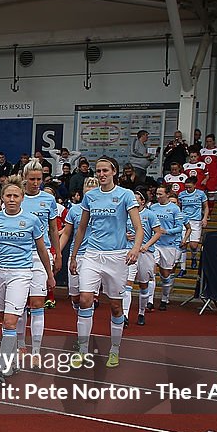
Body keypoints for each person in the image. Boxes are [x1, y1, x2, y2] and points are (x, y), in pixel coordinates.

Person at [68, 156, 143, 368]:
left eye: (105, 171)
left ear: (114, 172)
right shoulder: (90, 197)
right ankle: (82, 350)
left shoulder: (125, 195)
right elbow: (81, 228)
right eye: (98, 171)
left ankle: (115, 349)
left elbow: (138, 228)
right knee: (84, 299)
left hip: (117, 256)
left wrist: (135, 249)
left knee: (116, 307)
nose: (101, 174)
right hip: (92, 254)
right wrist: (74, 256)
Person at [0, 177, 55, 379]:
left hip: (21, 273)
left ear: (22, 198)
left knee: (10, 321)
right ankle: (15, 354)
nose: (11, 199)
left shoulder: (32, 221)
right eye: (8, 196)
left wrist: (50, 274)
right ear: (2, 198)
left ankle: (3, 367)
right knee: (4, 319)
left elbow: (42, 250)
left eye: (15, 196)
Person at [15, 159, 62, 357]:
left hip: (41, 256)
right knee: (18, 303)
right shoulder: (17, 197)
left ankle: (35, 349)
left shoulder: (49, 200)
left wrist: (58, 254)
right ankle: (19, 344)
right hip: (18, 255)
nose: (36, 183)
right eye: (32, 179)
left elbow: (53, 228)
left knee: (37, 303)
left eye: (39, 179)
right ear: (24, 178)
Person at [121, 188, 162, 327]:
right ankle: (125, 315)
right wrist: (125, 235)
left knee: (144, 285)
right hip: (129, 251)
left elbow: (157, 232)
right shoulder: (126, 214)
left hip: (145, 253)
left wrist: (147, 245)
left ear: (142, 201)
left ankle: (141, 312)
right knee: (127, 283)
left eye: (136, 198)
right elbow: (119, 229)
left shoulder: (150, 215)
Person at [59, 177, 99, 314]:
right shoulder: (75, 210)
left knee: (86, 297)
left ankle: (85, 325)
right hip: (76, 255)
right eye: (88, 193)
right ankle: (81, 315)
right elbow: (66, 234)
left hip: (94, 255)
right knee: (76, 297)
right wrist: (57, 253)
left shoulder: (103, 211)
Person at [147, 187, 187, 311]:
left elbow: (179, 228)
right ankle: (150, 301)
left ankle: (164, 298)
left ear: (167, 194)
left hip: (169, 245)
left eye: (160, 194)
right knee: (151, 271)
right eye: (156, 194)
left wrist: (166, 231)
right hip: (155, 244)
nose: (158, 196)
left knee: (165, 275)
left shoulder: (175, 209)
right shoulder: (153, 207)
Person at [178, 176, 209, 273]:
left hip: (196, 221)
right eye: (186, 187)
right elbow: (179, 207)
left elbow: (206, 207)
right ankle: (183, 269)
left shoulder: (201, 194)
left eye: (189, 187)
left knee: (194, 245)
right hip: (184, 220)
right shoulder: (182, 194)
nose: (187, 189)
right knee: (183, 244)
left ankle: (194, 257)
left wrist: (205, 218)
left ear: (195, 185)